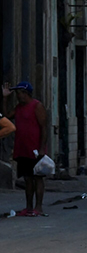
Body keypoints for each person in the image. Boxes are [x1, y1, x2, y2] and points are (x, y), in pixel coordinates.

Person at [2, 81, 48, 216]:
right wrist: (5, 98)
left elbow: (44, 128)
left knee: (38, 177)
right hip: (22, 148)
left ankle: (38, 207)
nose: (18, 96)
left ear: (26, 93)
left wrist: (42, 148)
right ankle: (28, 207)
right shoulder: (18, 107)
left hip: (34, 149)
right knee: (27, 178)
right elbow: (6, 117)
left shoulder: (37, 106)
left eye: (20, 93)